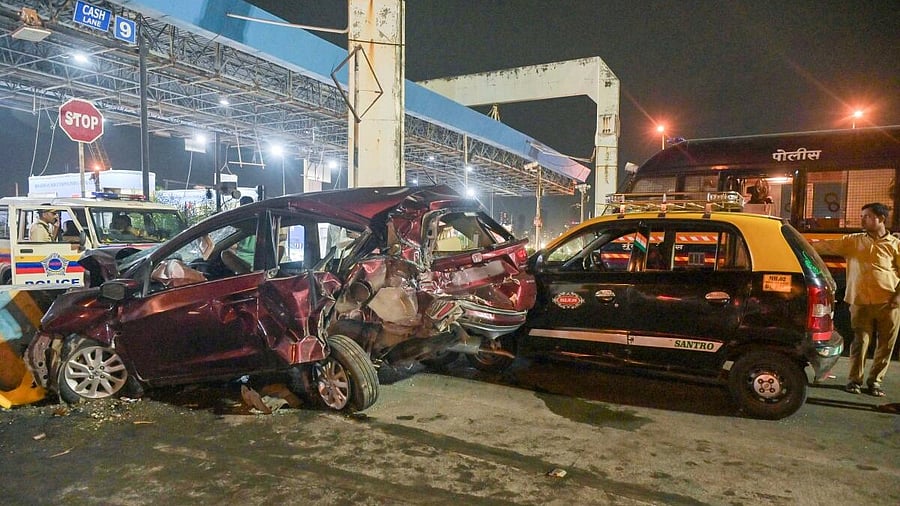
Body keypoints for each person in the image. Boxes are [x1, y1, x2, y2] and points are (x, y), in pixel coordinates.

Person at [813, 202, 900, 397]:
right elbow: (824, 245)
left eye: (867, 216)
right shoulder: (853, 241)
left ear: (881, 219)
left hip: (889, 303)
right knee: (860, 342)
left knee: (886, 345)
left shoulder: (895, 245)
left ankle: (875, 382)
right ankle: (854, 381)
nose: (862, 219)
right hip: (859, 301)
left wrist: (897, 298)